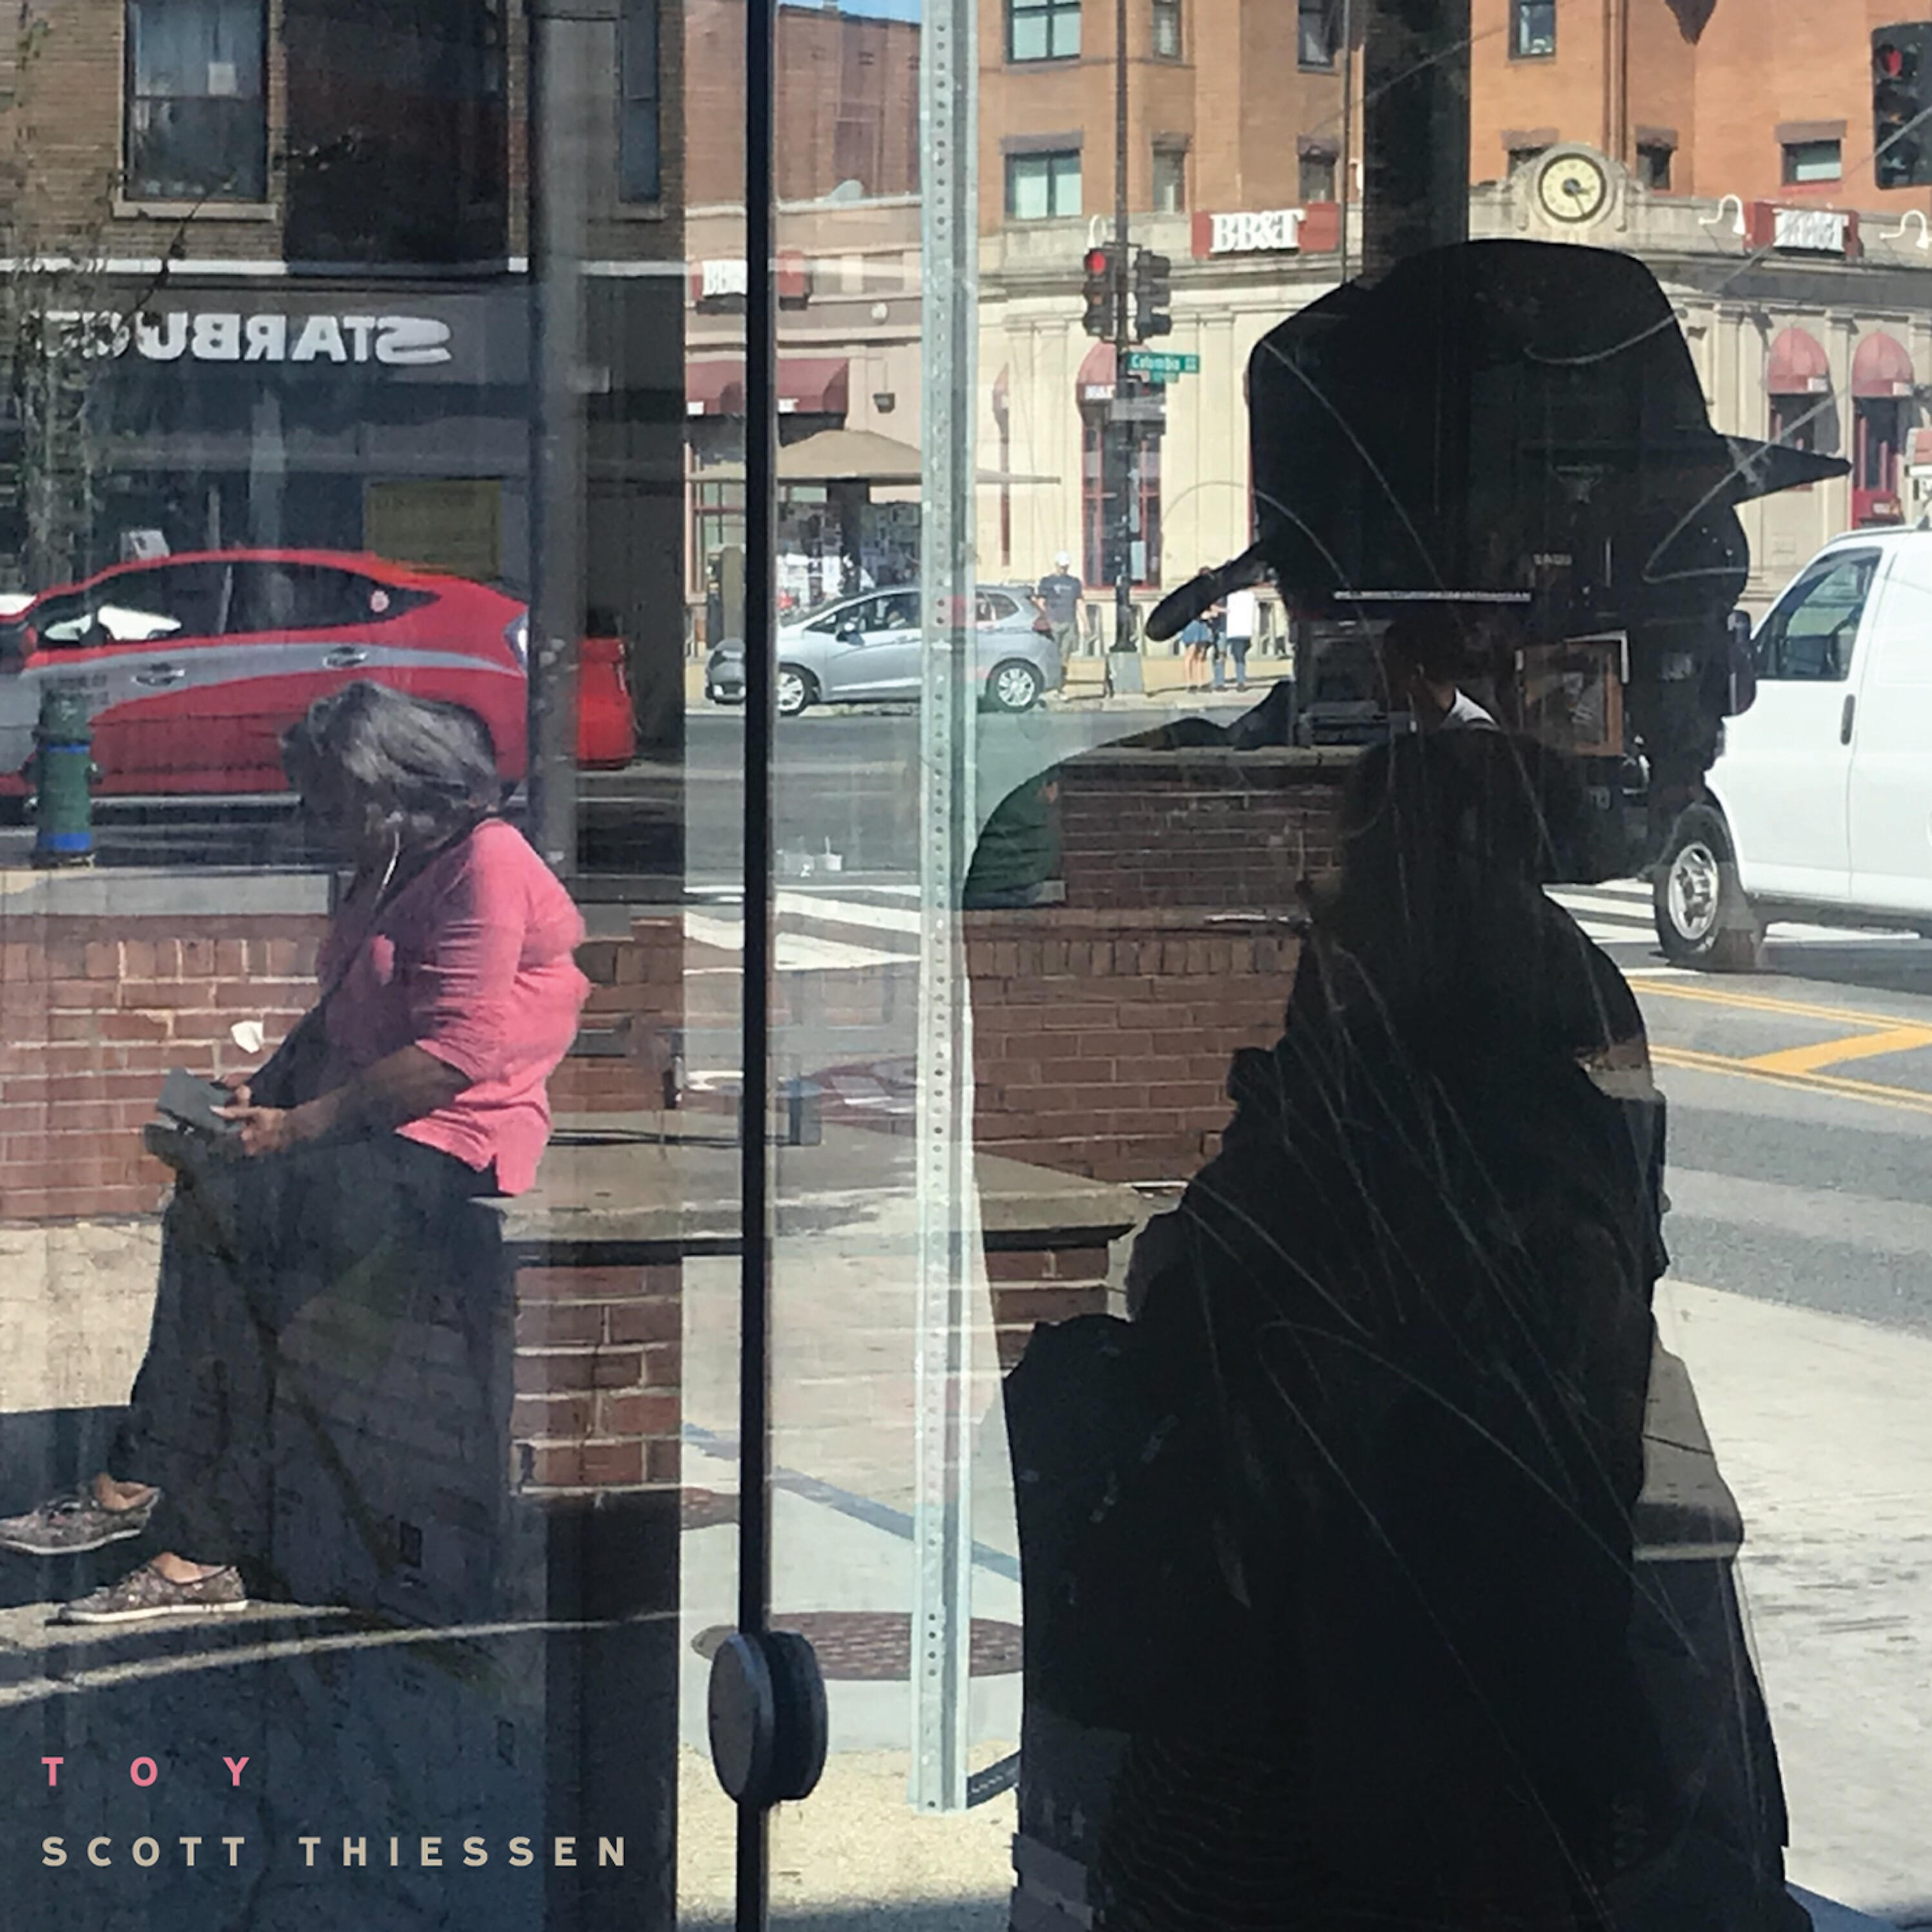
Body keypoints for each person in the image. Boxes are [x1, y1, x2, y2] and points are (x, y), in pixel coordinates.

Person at [0, 683, 590, 1622]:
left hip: (451, 1135)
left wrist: (299, 1127)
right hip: (368, 1120)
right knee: (207, 1205)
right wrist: (265, 1092)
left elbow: (457, 1056)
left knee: (262, 1263)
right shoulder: (391, 864)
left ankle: (202, 1542)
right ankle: (146, 1475)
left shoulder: (485, 864)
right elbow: (342, 1014)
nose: (317, 822)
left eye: (330, 801)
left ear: (390, 788)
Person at [1378, 602, 1499, 731]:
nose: (1381, 679)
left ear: (1416, 674)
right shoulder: (1417, 723)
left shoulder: (1473, 730)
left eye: (1388, 668)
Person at [1035, 551, 1085, 668]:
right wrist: (1044, 619)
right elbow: (1041, 602)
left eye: (1065, 567)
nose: (1063, 569)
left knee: (1066, 652)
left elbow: (1079, 603)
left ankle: (1063, 673)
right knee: (1053, 652)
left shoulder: (1074, 583)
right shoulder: (1047, 582)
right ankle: (1054, 673)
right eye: (1062, 566)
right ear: (1056, 565)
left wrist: (1086, 623)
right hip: (1053, 622)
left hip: (1069, 622)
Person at [1222, 582, 1256, 690]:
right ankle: (1221, 681)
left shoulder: (1243, 596)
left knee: (1238, 657)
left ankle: (1240, 681)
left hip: (1238, 631)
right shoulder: (1228, 595)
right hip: (1230, 630)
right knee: (1223, 656)